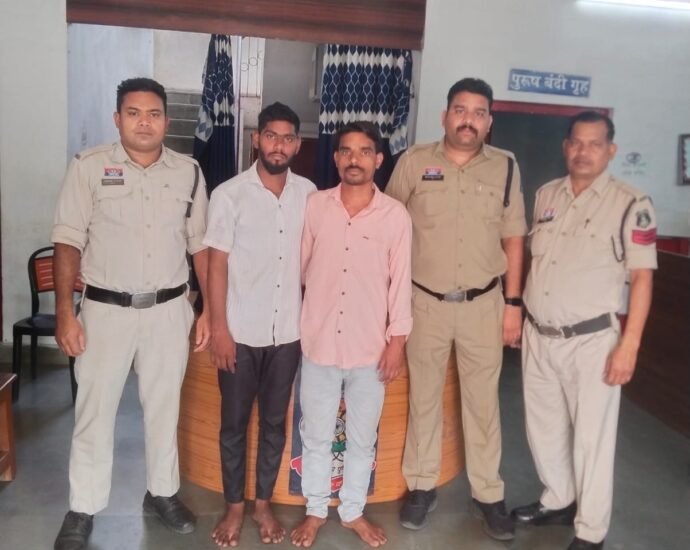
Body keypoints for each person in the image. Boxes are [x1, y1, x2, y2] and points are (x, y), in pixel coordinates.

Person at [52, 77, 210, 550]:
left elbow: (200, 245)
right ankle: (82, 507)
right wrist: (64, 314)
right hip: (105, 311)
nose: (145, 122)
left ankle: (162, 493)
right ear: (117, 118)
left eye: (154, 114)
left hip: (169, 310)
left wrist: (207, 310)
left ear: (166, 120)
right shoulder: (88, 167)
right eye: (134, 113)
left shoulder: (189, 172)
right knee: (94, 412)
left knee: (164, 408)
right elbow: (67, 241)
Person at [385, 77, 527, 540]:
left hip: (484, 305)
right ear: (445, 116)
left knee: (483, 404)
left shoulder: (506, 167)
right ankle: (421, 486)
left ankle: (488, 494)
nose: (469, 120)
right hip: (423, 302)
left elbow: (514, 238)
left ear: (489, 121)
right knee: (424, 398)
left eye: (479, 113)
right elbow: (387, 228)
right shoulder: (413, 161)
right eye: (461, 110)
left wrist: (513, 304)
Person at [511, 111, 657, 550]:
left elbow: (642, 278)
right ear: (565, 146)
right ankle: (558, 498)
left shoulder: (632, 203)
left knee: (592, 439)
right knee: (544, 427)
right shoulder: (546, 194)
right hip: (539, 333)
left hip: (592, 341)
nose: (583, 151)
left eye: (594, 144)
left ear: (611, 150)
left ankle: (591, 531)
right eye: (576, 142)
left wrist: (629, 345)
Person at [290, 122, 412, 548]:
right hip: (319, 342)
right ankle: (315, 509)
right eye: (346, 151)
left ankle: (353, 511)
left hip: (370, 349)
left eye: (363, 152)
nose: (354, 159)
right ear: (336, 158)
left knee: (362, 438)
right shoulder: (315, 206)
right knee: (316, 434)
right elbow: (300, 271)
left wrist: (397, 343)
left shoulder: (395, 216)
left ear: (378, 160)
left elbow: (400, 283)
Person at [205, 102, 316, 547]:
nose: (278, 145)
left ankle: (263, 504)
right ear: (256, 139)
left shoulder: (310, 194)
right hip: (240, 333)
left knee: (274, 424)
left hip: (288, 334)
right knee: (233, 425)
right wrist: (219, 329)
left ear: (297, 145)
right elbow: (216, 265)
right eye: (271, 136)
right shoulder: (228, 194)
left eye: (288, 138)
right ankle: (235, 507)